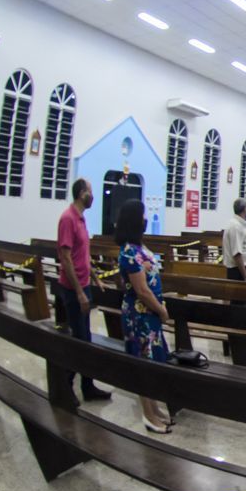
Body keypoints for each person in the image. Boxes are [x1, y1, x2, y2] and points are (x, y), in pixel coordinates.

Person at [115, 199, 173, 433]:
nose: (145, 219)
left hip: (148, 315)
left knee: (152, 362)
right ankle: (148, 415)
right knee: (144, 364)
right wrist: (161, 310)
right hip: (140, 317)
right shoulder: (129, 251)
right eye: (142, 215)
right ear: (134, 221)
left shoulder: (139, 247)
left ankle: (155, 408)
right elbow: (141, 290)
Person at [56, 177, 112, 402]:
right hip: (73, 290)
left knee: (85, 338)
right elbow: (66, 258)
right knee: (79, 341)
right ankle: (64, 386)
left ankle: (87, 386)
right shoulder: (68, 219)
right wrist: (79, 292)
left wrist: (96, 278)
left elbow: (82, 255)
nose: (93, 195)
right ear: (82, 194)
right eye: (90, 191)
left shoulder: (81, 218)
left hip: (84, 285)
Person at [222, 198, 246, 281]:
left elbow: (244, 250)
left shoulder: (238, 224)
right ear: (245, 209)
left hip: (240, 270)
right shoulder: (236, 227)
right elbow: (237, 254)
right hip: (238, 272)